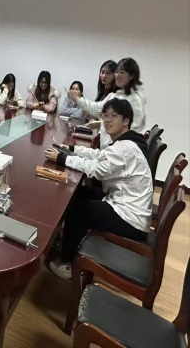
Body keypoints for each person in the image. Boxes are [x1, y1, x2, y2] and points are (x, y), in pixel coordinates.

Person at [45, 98, 152, 279]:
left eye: (114, 116)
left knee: (78, 209)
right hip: (125, 203)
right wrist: (71, 149)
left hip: (130, 217)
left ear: (126, 121)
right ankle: (70, 242)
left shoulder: (125, 148)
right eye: (105, 115)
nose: (107, 120)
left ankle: (68, 264)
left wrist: (63, 158)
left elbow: (97, 170)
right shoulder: (127, 142)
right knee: (78, 194)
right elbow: (100, 155)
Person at [72, 58, 146, 147]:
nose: (117, 75)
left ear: (131, 76)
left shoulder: (135, 99)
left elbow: (134, 128)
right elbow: (98, 108)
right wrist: (78, 100)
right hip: (108, 146)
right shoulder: (116, 94)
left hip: (118, 148)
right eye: (116, 72)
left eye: (122, 72)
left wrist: (117, 145)